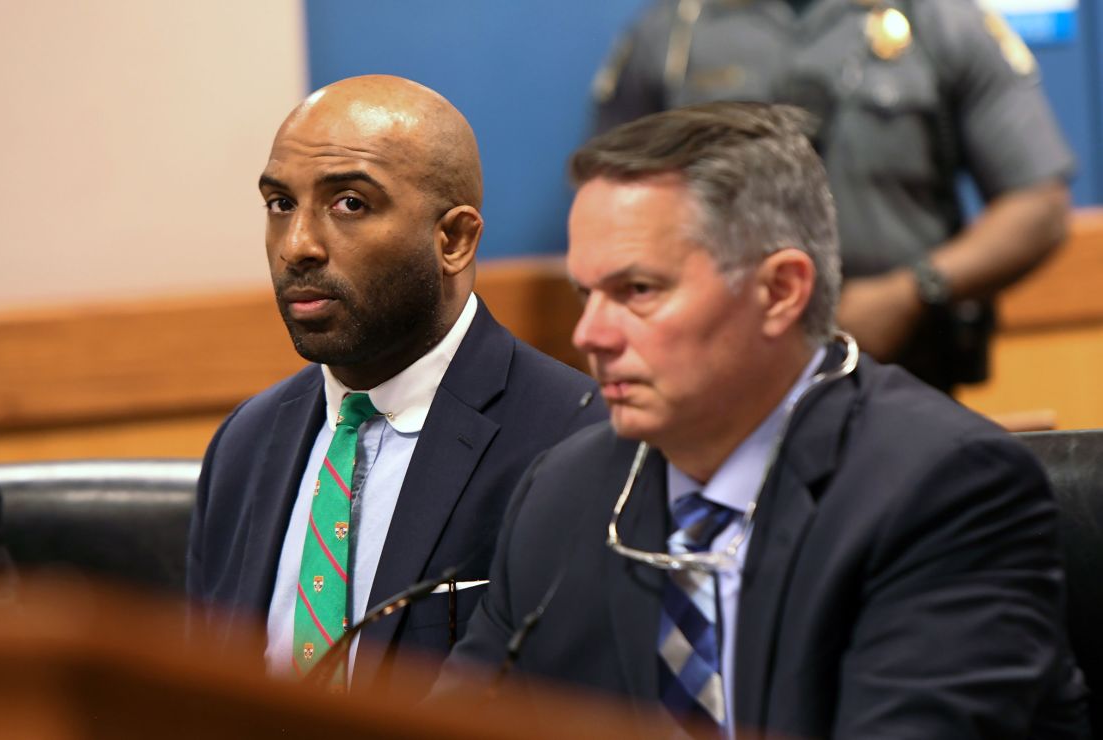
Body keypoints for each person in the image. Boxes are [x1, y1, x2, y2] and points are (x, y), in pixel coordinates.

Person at [445, 102, 1088, 737]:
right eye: (587, 295)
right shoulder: (562, 493)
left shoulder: (948, 490)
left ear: (780, 291)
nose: (591, 334)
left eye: (638, 291)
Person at [186, 75, 605, 695]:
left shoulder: (577, 441)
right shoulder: (244, 444)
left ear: (454, 240)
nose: (296, 246)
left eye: (349, 203)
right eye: (280, 204)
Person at [591, 0, 1074, 392]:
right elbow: (610, 207)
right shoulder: (675, 35)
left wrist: (912, 292)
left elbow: (1040, 205)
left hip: (904, 366)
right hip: (720, 375)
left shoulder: (938, 20)